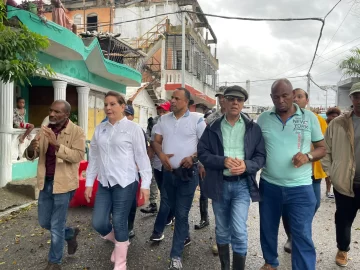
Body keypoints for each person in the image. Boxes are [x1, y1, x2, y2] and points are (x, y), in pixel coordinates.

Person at [257, 79, 326, 270]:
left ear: (292, 96)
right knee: (268, 228)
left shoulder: (309, 118)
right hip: (269, 184)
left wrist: (308, 156)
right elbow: (254, 149)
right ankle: (270, 262)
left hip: (301, 187)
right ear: (271, 97)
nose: (280, 100)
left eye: (285, 95)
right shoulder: (263, 118)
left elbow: (322, 148)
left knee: (302, 233)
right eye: (276, 96)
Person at [198, 85, 266, 270]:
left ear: (243, 103)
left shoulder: (253, 128)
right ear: (224, 101)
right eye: (231, 99)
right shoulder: (213, 127)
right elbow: (202, 153)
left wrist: (247, 166)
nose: (235, 102)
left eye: (239, 100)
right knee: (221, 229)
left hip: (242, 186)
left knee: (239, 230)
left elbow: (261, 157)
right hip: (219, 185)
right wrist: (223, 161)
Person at [85, 91, 151, 270]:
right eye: (106, 104)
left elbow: (142, 158)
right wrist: (89, 183)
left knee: (120, 220)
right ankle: (120, 241)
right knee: (98, 222)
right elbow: (95, 158)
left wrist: (145, 184)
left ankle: (121, 262)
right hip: (105, 183)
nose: (108, 107)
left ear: (123, 107)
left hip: (126, 182)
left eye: (112, 104)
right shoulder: (100, 129)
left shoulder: (133, 129)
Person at [24, 100, 85, 270]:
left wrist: (57, 144)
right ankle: (70, 234)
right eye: (50, 110)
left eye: (56, 112)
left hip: (64, 185)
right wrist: (31, 148)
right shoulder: (44, 130)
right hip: (45, 182)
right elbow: (33, 154)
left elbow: (78, 156)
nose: (51, 114)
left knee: (57, 224)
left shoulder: (77, 132)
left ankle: (54, 262)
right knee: (44, 222)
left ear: (66, 114)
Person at [151, 88, 206, 270]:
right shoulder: (163, 119)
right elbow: (156, 141)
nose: (172, 101)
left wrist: (193, 158)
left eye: (176, 98)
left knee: (181, 214)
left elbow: (205, 146)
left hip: (187, 175)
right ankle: (186, 236)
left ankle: (175, 256)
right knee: (172, 208)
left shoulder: (196, 120)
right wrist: (161, 155)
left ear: (186, 102)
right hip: (168, 174)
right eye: (171, 98)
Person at [281, 88, 327, 254]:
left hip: (313, 171)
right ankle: (292, 236)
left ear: (306, 100)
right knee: (287, 208)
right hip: (293, 173)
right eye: (293, 96)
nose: (296, 99)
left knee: (313, 204)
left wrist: (309, 156)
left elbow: (324, 145)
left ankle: (300, 233)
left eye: (300, 96)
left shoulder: (315, 119)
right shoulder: (285, 119)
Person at [321, 82, 360, 268]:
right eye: (356, 96)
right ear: (351, 98)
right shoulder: (338, 123)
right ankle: (342, 249)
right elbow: (325, 150)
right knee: (344, 219)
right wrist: (332, 173)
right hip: (345, 182)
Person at [141, 102, 172, 214]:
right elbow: (148, 135)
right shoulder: (153, 121)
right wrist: (153, 142)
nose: (161, 113)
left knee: (168, 187)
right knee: (154, 181)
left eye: (164, 111)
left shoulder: (174, 122)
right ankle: (153, 204)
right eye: (160, 110)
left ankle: (169, 212)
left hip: (170, 160)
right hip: (156, 157)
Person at [323, 107, 341, 198]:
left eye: (336, 116)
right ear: (328, 116)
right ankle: (328, 190)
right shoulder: (323, 124)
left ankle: (329, 191)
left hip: (334, 152)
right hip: (323, 151)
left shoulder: (338, 126)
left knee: (330, 174)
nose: (334, 118)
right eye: (332, 116)